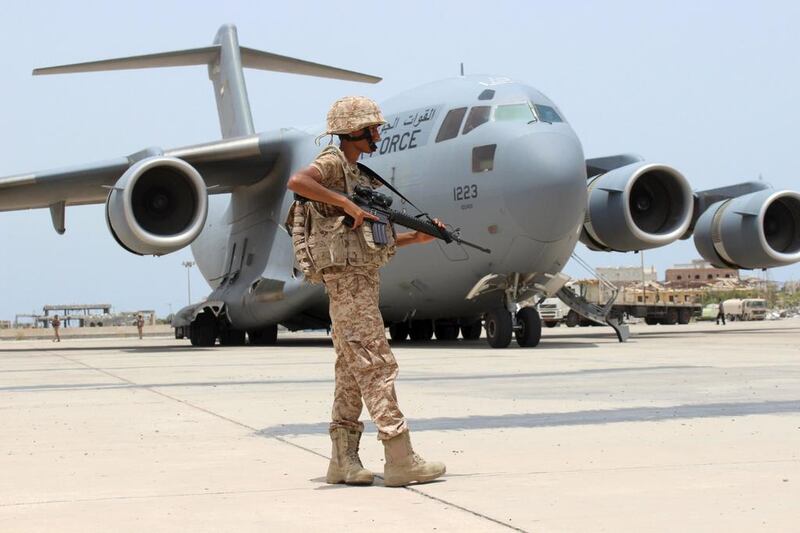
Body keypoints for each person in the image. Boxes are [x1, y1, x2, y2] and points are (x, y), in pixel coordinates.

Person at [286, 96, 446, 487]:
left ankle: (343, 459)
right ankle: (399, 455)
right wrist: (345, 203)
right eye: (372, 129)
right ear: (353, 131)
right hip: (347, 280)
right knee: (376, 363)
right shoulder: (333, 163)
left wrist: (416, 238)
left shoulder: (359, 175)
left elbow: (371, 239)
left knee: (350, 369)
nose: (377, 134)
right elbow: (298, 181)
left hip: (357, 277)